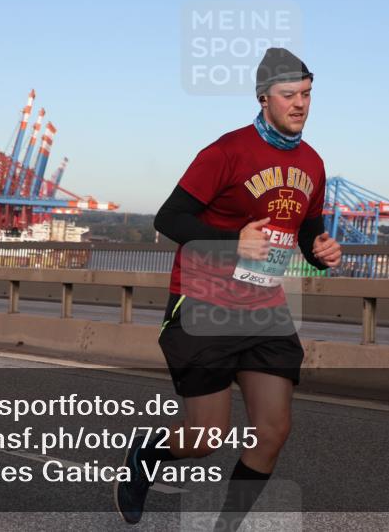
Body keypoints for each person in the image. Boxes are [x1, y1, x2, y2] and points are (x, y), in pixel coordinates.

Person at [115, 47, 342, 529]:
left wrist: (318, 249)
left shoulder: (314, 164)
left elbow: (305, 229)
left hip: (264, 309)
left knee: (274, 430)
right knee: (206, 437)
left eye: (306, 94)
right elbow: (169, 218)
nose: (300, 104)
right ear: (264, 98)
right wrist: (231, 241)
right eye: (288, 95)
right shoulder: (226, 151)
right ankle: (147, 455)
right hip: (204, 302)